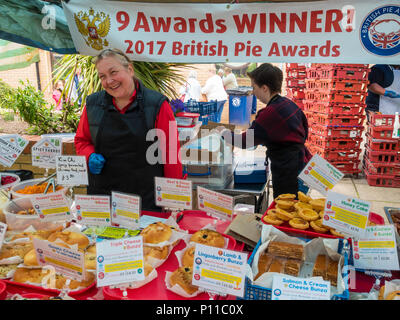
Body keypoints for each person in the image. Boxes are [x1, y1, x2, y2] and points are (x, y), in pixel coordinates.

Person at [74, 48, 182, 211]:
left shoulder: (157, 105)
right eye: (102, 76)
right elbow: (82, 140)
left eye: (113, 72)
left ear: (129, 69)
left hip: (145, 199)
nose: (109, 81)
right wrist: (89, 156)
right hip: (103, 198)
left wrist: (173, 200)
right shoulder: (93, 105)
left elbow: (171, 155)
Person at [219, 63, 311, 199]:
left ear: (264, 88)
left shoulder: (269, 113)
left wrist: (223, 133)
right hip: (302, 166)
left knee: (286, 210)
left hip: (289, 172)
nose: (253, 92)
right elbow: (304, 130)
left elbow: (245, 141)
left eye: (254, 87)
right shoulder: (289, 104)